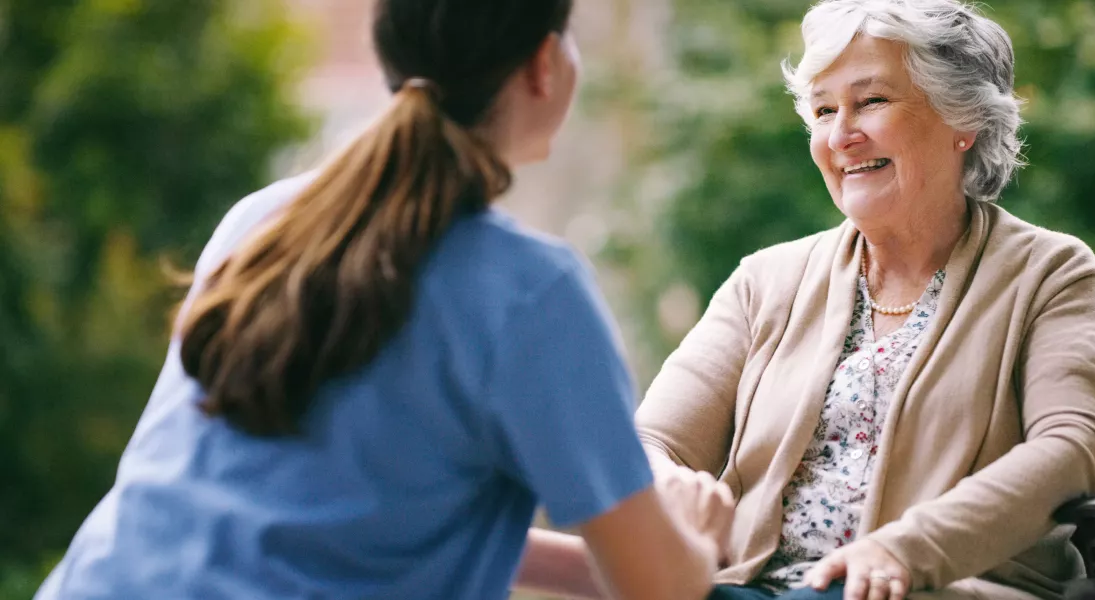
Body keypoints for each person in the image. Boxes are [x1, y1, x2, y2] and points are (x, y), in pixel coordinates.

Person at [34, 0, 733, 598]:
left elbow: (337, 512)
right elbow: (662, 588)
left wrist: (596, 563)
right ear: (544, 64)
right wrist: (696, 539)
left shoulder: (263, 221)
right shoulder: (530, 293)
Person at [635, 0, 1095, 599]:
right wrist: (670, 489)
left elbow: (1074, 451)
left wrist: (907, 548)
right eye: (822, 110)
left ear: (962, 118)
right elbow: (653, 442)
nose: (841, 135)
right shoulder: (764, 281)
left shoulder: (1049, 274)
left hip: (940, 588)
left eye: (871, 101)